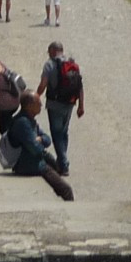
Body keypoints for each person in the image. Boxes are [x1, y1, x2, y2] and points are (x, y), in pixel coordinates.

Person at [3, 92, 74, 200]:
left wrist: (40, 139)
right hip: (29, 164)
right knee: (66, 189)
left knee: (58, 169)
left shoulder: (30, 120)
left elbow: (47, 139)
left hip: (35, 161)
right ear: (29, 106)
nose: (41, 105)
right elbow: (35, 148)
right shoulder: (22, 123)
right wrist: (39, 143)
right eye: (38, 103)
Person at [36, 40, 85, 175]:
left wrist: (36, 96)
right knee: (64, 132)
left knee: (57, 133)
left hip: (54, 104)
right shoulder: (72, 64)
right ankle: (61, 160)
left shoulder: (49, 64)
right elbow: (79, 86)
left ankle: (63, 164)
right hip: (69, 103)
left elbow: (43, 84)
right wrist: (81, 105)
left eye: (49, 51)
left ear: (52, 51)